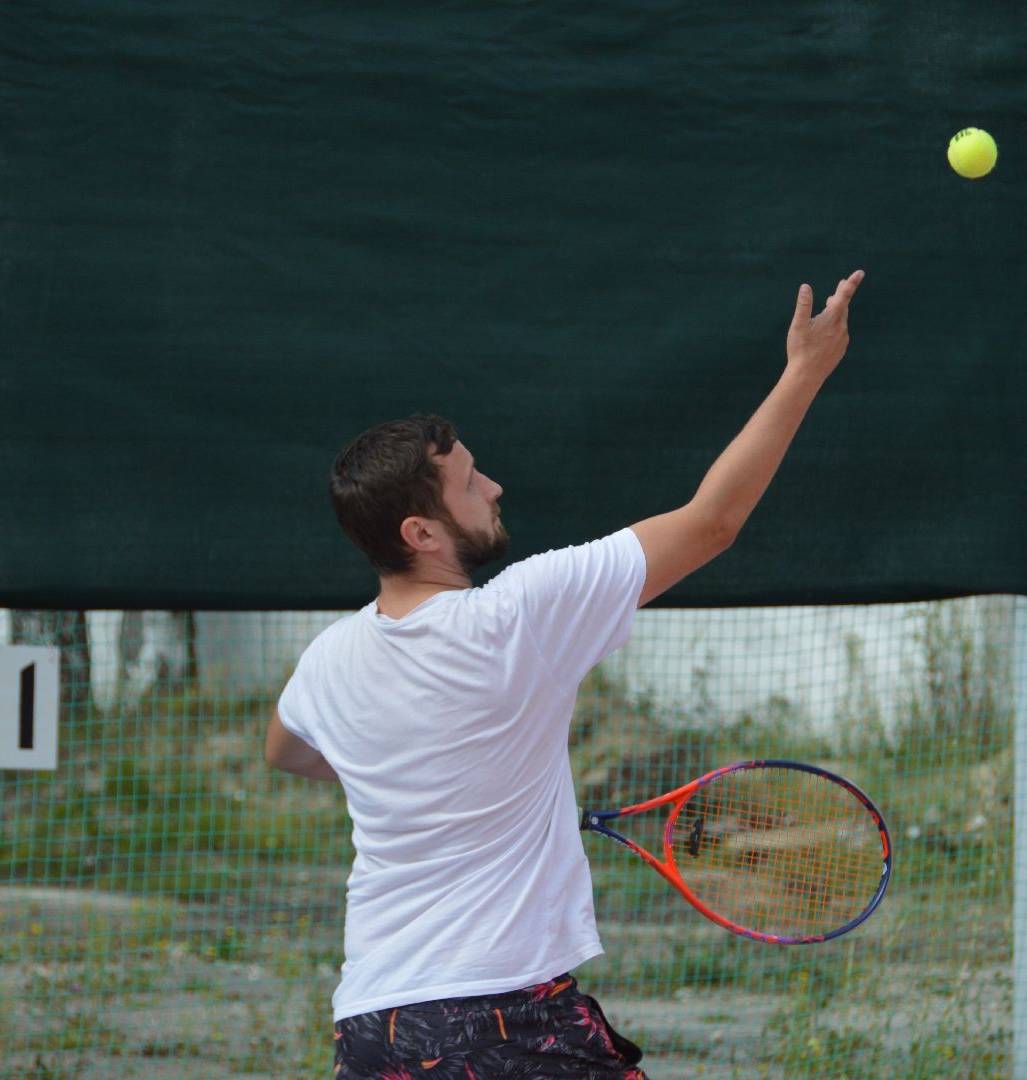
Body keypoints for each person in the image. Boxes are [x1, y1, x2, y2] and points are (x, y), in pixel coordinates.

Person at [265, 269, 865, 1079]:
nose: (493, 487)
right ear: (421, 532)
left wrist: (417, 781)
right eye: (471, 483)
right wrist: (805, 371)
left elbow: (287, 752)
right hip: (501, 1019)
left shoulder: (327, 660)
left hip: (373, 1029)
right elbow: (711, 523)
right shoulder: (517, 616)